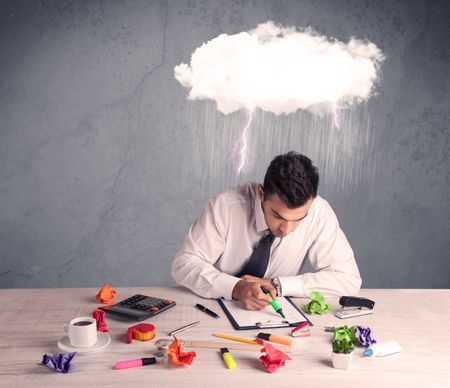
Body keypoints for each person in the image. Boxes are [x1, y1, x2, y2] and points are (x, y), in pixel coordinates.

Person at [171, 151, 361, 310]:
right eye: (278, 216)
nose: (286, 229)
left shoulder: (319, 211)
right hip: (215, 308)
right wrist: (236, 288)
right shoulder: (226, 206)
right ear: (261, 194)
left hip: (271, 315)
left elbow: (348, 279)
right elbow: (183, 264)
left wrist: (277, 285)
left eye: (298, 219)